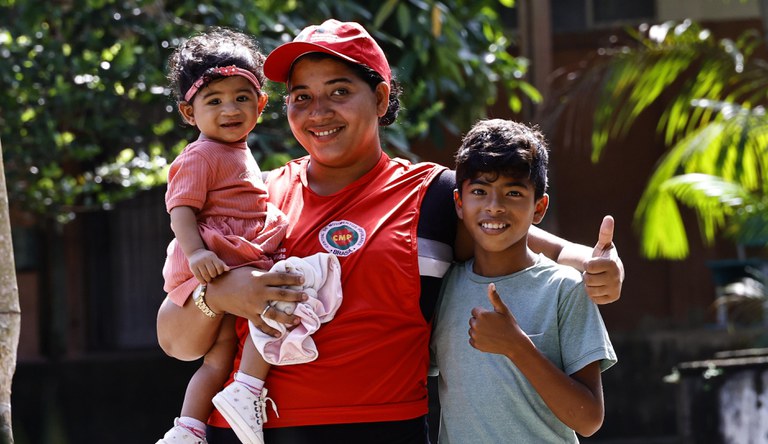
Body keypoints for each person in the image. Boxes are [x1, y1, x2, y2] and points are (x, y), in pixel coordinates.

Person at [156, 19, 625, 444]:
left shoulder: (433, 194)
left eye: (340, 91)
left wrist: (595, 263)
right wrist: (219, 295)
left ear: (380, 99)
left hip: (384, 429)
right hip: (247, 432)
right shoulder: (253, 196)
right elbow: (177, 342)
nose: (319, 111)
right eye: (301, 96)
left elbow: (511, 232)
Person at [156, 27, 343, 444]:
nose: (230, 109)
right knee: (278, 297)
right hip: (221, 256)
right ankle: (248, 388)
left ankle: (187, 427)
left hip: (235, 252)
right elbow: (180, 210)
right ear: (189, 113)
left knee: (218, 354)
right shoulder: (201, 154)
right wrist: (197, 252)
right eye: (214, 100)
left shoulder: (237, 151)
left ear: (260, 105)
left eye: (242, 98)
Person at [430, 118, 617, 443]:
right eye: (479, 191)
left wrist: (517, 347)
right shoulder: (443, 287)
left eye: (513, 192)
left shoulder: (565, 288)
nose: (495, 206)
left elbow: (588, 420)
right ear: (459, 203)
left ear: (539, 207)